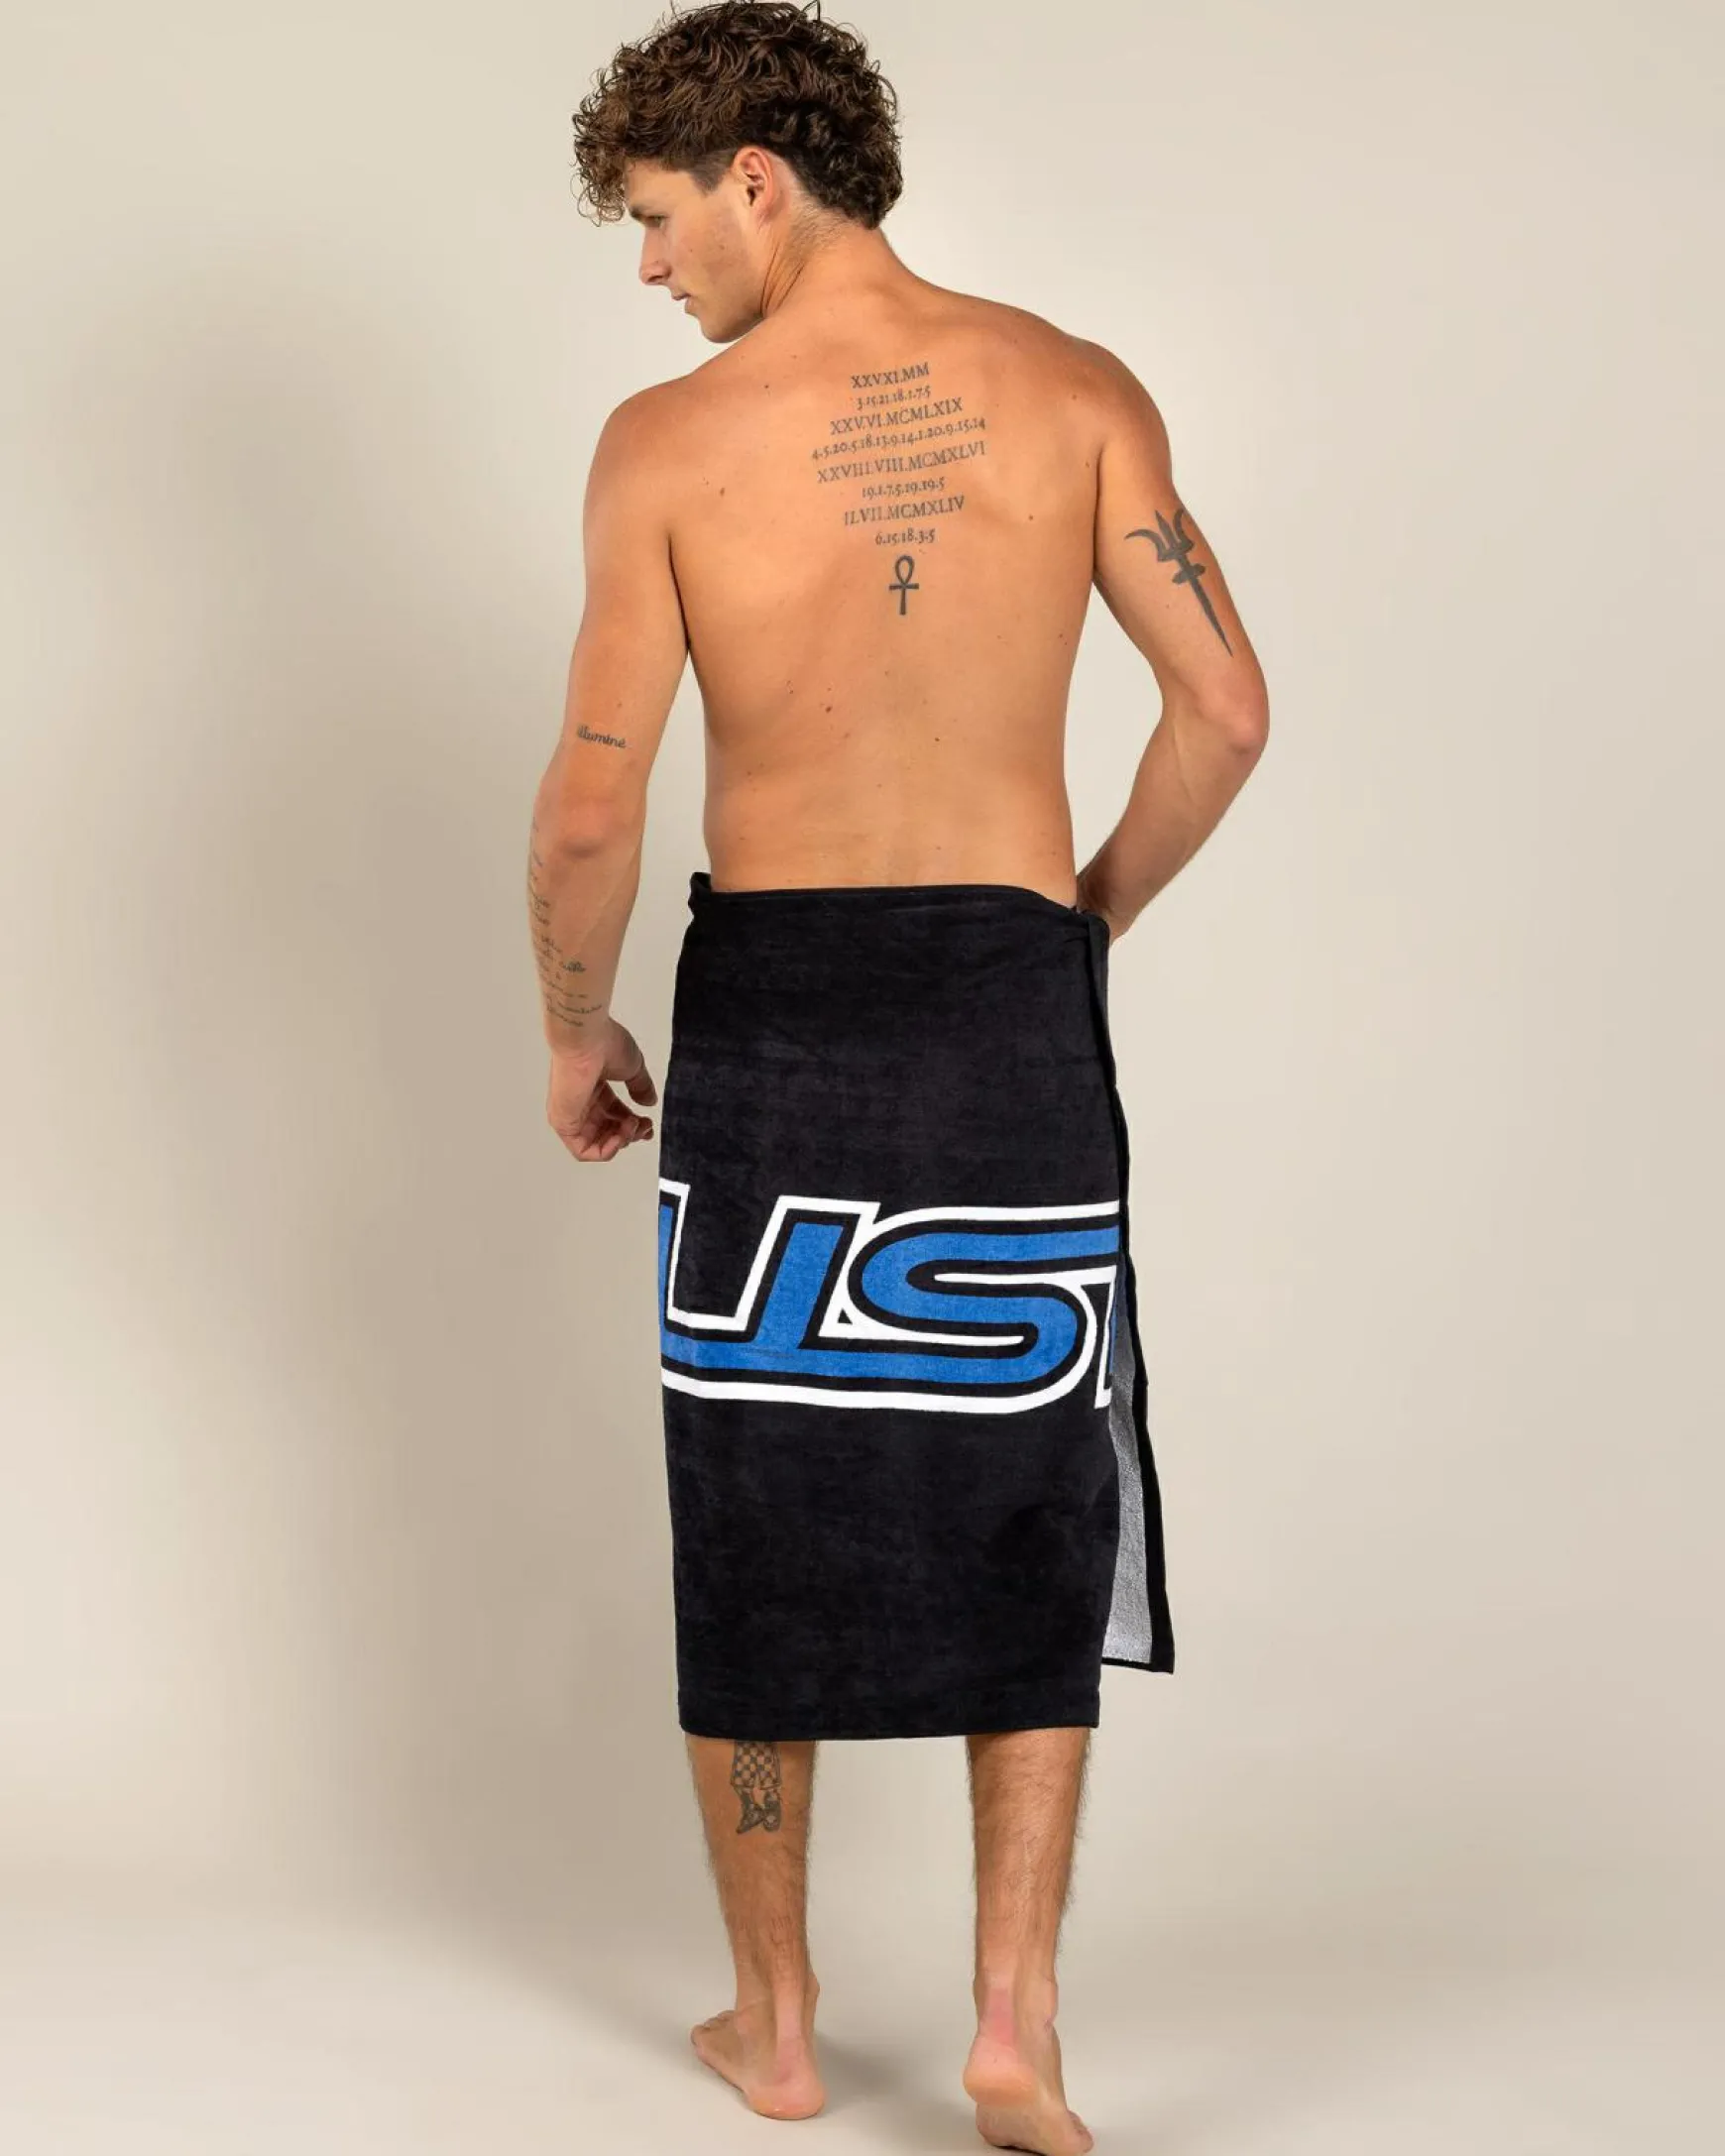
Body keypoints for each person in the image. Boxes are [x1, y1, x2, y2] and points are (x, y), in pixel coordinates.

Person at [527, 6, 1269, 2150]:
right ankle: (1015, 2023)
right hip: (1008, 998)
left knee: (756, 1490)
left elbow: (592, 808)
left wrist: (575, 1026)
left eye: (657, 219)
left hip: (779, 1007)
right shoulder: (1078, 391)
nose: (649, 268)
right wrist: (1079, 921)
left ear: (756, 179)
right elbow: (1225, 707)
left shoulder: (669, 446)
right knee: (1032, 1479)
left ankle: (775, 2030)